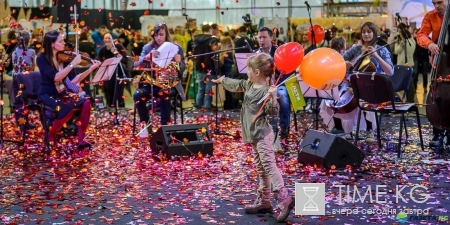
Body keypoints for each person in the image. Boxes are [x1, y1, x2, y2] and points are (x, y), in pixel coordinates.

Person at [212, 53, 295, 223]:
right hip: (253, 135)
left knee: (269, 166)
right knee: (261, 168)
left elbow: (273, 113)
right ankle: (264, 201)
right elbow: (237, 84)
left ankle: (284, 199)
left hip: (263, 135)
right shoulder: (249, 84)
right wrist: (223, 80)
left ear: (257, 72)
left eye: (249, 69)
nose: (246, 72)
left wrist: (273, 97)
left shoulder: (266, 91)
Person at [320, 22, 393, 141]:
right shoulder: (355, 49)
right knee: (332, 94)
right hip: (352, 84)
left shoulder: (382, 50)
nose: (366, 34)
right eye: (363, 32)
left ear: (374, 33)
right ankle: (338, 127)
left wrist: (377, 56)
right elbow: (337, 62)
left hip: (373, 85)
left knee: (364, 94)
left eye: (369, 32)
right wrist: (344, 64)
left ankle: (370, 129)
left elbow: (390, 71)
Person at [36, 30, 101, 149]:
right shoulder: (42, 59)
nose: (64, 43)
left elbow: (73, 81)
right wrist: (72, 64)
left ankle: (81, 140)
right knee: (68, 106)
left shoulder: (64, 59)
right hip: (48, 94)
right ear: (51, 44)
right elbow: (56, 77)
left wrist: (91, 69)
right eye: (61, 41)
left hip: (62, 93)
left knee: (85, 102)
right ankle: (51, 135)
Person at [133, 22, 186, 131]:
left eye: (161, 34)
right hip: (150, 84)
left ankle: (164, 128)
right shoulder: (148, 47)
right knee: (137, 95)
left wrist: (179, 62)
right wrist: (147, 57)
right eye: (156, 35)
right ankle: (147, 127)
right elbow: (136, 64)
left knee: (164, 93)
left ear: (166, 34)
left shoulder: (176, 47)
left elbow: (182, 69)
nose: (158, 38)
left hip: (169, 85)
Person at [416, 0, 448, 148]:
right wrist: (429, 43)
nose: (436, 6)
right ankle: (438, 132)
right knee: (438, 97)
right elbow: (421, 34)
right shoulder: (431, 16)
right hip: (439, 65)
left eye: (439, 2)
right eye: (433, 2)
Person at [255, 27, 291, 140]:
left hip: (278, 84)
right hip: (261, 86)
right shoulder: (255, 54)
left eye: (264, 37)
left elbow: (286, 71)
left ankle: (284, 126)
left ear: (271, 38)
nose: (261, 40)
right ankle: (255, 126)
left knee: (284, 97)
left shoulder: (279, 52)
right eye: (260, 37)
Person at [97, 32, 128, 108]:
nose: (107, 40)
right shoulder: (102, 50)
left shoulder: (119, 47)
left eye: (109, 38)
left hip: (119, 74)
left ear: (113, 39)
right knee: (109, 97)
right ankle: (111, 113)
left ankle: (121, 113)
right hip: (108, 76)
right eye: (105, 38)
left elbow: (125, 60)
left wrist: (116, 53)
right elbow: (99, 63)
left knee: (119, 96)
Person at [193, 24, 218, 111]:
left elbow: (194, 54)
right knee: (209, 89)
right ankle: (207, 106)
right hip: (210, 67)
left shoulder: (196, 40)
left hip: (200, 67)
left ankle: (198, 105)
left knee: (200, 88)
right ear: (210, 29)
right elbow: (215, 54)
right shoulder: (213, 40)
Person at [394, 23, 416, 103]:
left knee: (402, 83)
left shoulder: (404, 42)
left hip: (403, 64)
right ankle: (410, 99)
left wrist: (396, 43)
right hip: (411, 63)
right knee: (410, 83)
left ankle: (403, 99)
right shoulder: (412, 40)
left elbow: (396, 51)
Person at [219, 36, 237, 110]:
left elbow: (224, 67)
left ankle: (228, 108)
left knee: (228, 94)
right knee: (230, 94)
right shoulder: (231, 54)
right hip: (230, 76)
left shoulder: (225, 55)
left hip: (226, 75)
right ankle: (229, 107)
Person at [412, 28, 429, 92]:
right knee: (416, 72)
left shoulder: (428, 39)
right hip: (417, 56)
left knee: (424, 73)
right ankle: (414, 87)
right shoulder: (416, 39)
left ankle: (425, 87)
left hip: (424, 57)